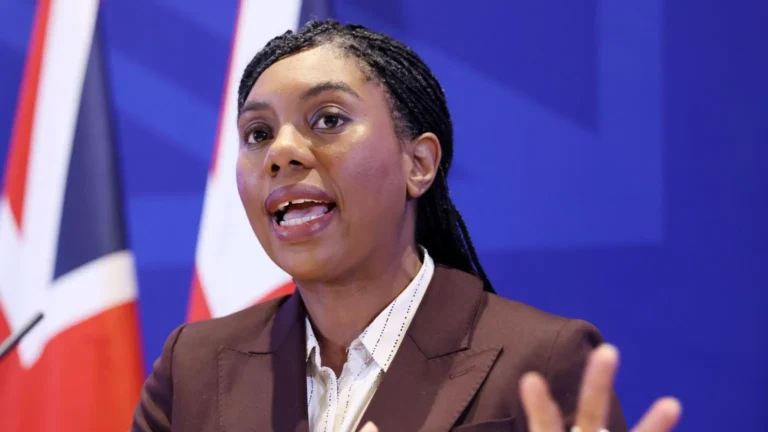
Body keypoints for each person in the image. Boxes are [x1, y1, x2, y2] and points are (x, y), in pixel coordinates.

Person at [132, 20, 681, 432]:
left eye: (328, 119)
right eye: (258, 133)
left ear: (418, 163)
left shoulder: (540, 360)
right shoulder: (194, 367)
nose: (281, 153)